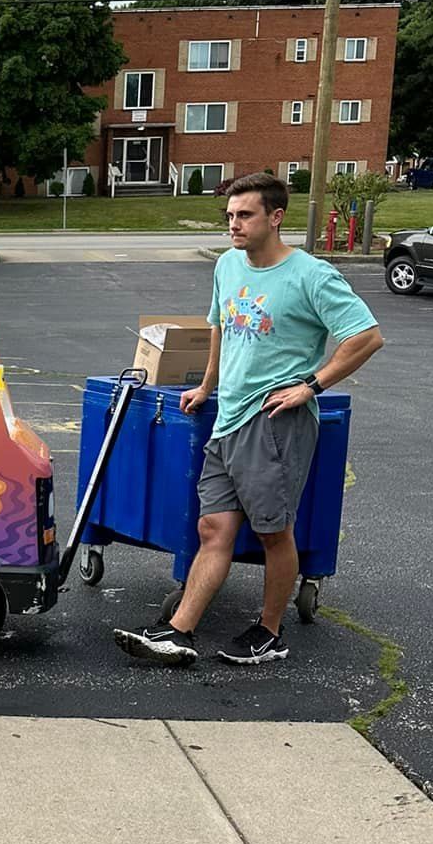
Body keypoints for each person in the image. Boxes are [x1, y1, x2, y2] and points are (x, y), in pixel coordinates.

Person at [114, 171, 383, 669]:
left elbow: (366, 336)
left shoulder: (311, 275)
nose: (233, 225)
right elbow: (219, 329)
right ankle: (178, 632)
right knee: (213, 527)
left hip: (275, 421)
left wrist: (312, 386)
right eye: (230, 216)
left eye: (244, 215)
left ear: (275, 217)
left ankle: (270, 631)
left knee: (273, 533)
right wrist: (207, 387)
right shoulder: (228, 266)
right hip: (229, 417)